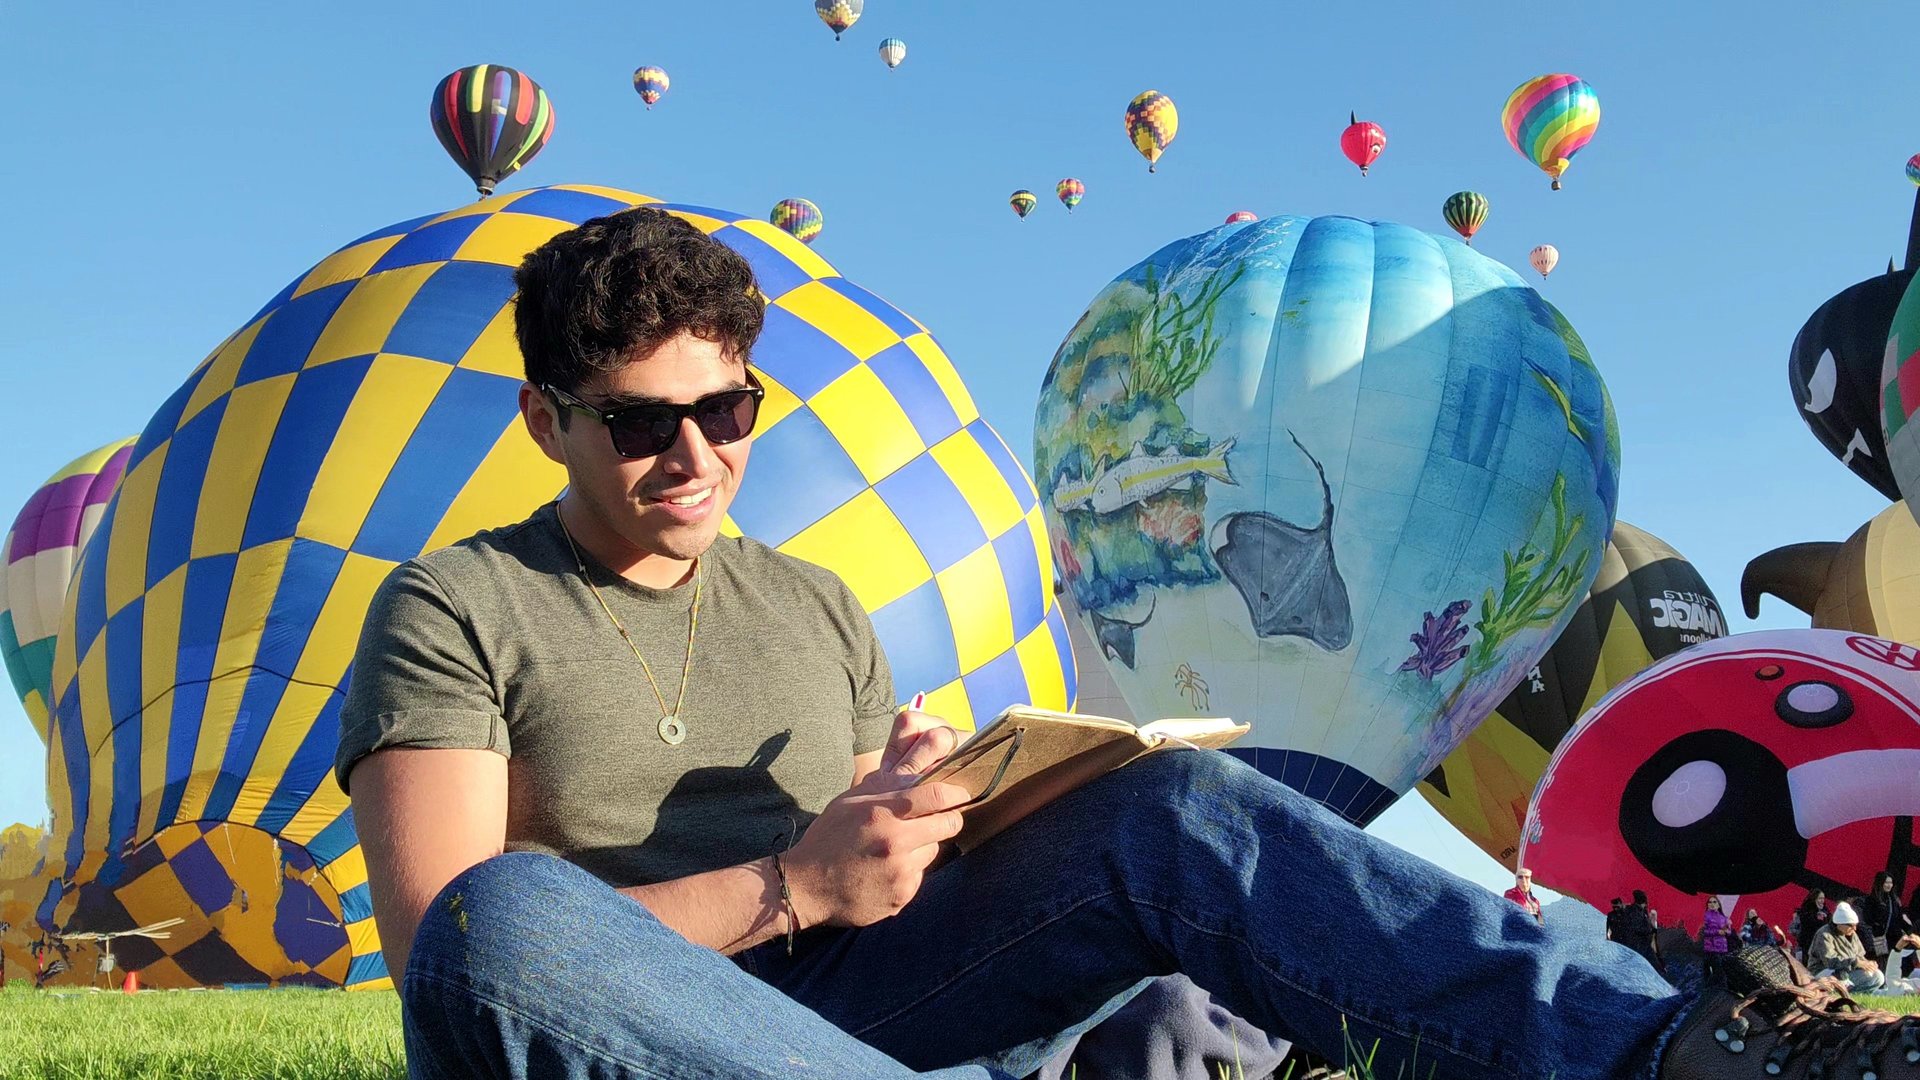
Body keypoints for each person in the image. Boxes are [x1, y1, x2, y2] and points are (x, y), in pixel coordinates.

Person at [336, 207, 1920, 1080]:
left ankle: (1673, 1058)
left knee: (1164, 813)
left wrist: (933, 808)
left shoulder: (809, 602)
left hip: (853, 1017)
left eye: (727, 412)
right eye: (639, 423)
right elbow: (442, 967)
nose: (693, 457)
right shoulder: (458, 608)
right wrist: (790, 887)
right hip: (630, 1042)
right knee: (512, 918)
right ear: (549, 417)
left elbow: (881, 882)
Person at [1808, 902, 1885, 992]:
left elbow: (1860, 956)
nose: (1855, 929)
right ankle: (1843, 992)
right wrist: (1855, 962)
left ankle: (1853, 993)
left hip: (1847, 970)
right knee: (1843, 975)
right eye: (1851, 925)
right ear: (1840, 924)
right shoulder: (1824, 934)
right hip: (1824, 972)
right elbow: (1830, 962)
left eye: (1856, 925)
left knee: (1877, 975)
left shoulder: (1852, 934)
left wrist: (1868, 964)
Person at [1862, 871, 1909, 974]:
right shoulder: (1872, 900)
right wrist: (1877, 927)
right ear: (1880, 883)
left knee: (1892, 962)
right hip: (1879, 938)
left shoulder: (1894, 900)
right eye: (1886, 882)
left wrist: (1909, 930)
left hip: (1894, 938)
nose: (1889, 885)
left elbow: (1899, 918)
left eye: (1891, 883)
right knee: (1880, 963)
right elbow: (1868, 919)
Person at [1696, 897, 1733, 982]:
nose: (1712, 904)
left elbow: (1729, 932)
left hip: (1722, 949)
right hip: (1710, 948)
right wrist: (1717, 932)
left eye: (1714, 902)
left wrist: (1726, 931)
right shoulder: (1705, 916)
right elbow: (1703, 932)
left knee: (1720, 972)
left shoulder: (1724, 918)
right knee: (1707, 973)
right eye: (1710, 902)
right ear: (1707, 905)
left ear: (1719, 905)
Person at [1790, 888, 1829, 962]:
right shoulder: (1806, 910)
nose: (1822, 901)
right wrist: (1817, 917)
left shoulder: (1825, 911)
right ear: (1814, 898)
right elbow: (1804, 925)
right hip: (1807, 944)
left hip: (1821, 944)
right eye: (1820, 898)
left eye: (1823, 898)